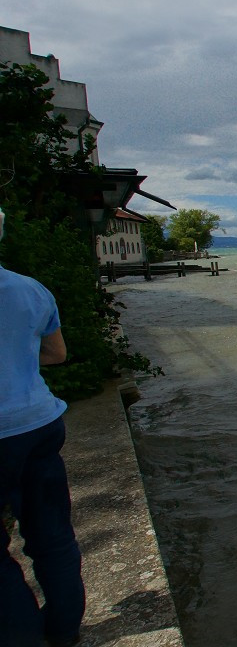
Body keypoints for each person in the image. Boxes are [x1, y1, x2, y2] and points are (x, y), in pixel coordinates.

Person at [0, 206, 85, 647]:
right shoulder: (31, 289)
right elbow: (56, 354)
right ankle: (64, 630)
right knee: (51, 536)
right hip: (38, 424)